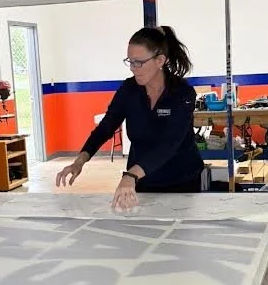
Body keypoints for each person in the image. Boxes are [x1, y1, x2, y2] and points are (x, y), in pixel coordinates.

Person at [56, 25, 204, 210]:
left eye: (139, 62)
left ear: (160, 60)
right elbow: (105, 128)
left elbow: (170, 143)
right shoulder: (129, 90)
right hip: (143, 180)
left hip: (181, 180)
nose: (134, 68)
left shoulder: (182, 93)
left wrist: (130, 175)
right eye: (130, 61)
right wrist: (80, 161)